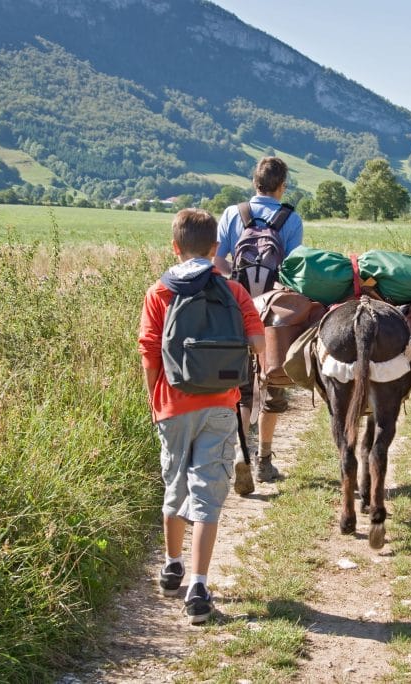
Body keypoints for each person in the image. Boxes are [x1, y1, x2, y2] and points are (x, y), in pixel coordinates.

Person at [138, 208, 265, 624]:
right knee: (207, 494)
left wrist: (155, 400)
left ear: (175, 247)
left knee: (174, 487)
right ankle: (198, 585)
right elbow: (257, 342)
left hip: (173, 405)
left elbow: (150, 352)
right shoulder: (233, 291)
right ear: (216, 249)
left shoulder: (159, 291)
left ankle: (172, 563)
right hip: (221, 404)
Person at [214, 157, 304, 491]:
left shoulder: (230, 214)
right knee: (273, 382)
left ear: (255, 183)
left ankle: (241, 450)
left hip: (236, 311)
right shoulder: (291, 219)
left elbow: (219, 262)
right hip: (274, 316)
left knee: (242, 389)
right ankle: (265, 460)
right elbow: (293, 273)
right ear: (282, 186)